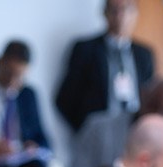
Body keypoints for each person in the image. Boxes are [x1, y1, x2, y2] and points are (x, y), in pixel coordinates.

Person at [56, 0, 155, 133]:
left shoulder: (144, 54)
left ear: (135, 13)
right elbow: (65, 98)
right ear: (105, 13)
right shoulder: (85, 49)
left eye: (126, 9)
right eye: (114, 10)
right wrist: (84, 129)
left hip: (135, 130)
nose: (121, 16)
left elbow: (150, 95)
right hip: (99, 131)